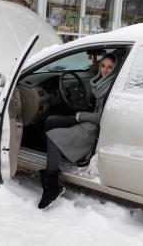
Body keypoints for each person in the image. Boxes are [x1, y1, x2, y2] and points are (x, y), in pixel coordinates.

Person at [38, 53, 117, 209]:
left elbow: (101, 117)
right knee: (51, 121)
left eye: (110, 67)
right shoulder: (101, 82)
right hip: (89, 121)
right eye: (103, 66)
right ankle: (52, 162)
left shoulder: (110, 87)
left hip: (94, 129)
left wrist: (82, 115)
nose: (105, 70)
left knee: (54, 137)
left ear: (115, 70)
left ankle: (52, 185)